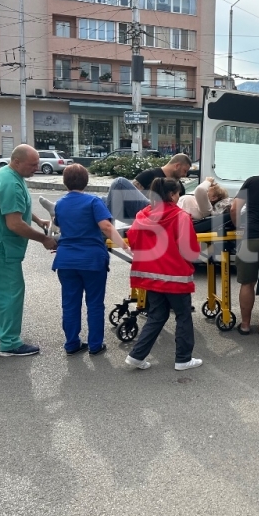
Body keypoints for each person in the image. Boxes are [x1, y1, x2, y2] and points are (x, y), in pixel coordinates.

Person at [0, 144, 57, 357]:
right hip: (1, 247)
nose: (36, 168)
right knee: (10, 293)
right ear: (17, 162)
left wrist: (38, 220)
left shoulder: (6, 174)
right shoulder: (11, 183)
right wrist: (44, 239)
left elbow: (15, 208)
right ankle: (9, 342)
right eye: (32, 164)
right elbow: (14, 224)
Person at [124, 177, 202, 371]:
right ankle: (183, 359)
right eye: (178, 193)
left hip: (151, 276)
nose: (179, 197)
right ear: (171, 195)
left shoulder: (143, 215)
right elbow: (190, 250)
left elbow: (133, 239)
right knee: (183, 316)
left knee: (156, 316)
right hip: (175, 276)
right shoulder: (180, 216)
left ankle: (136, 355)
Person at [52, 164, 130, 356]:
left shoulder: (60, 204)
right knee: (94, 303)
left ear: (65, 182)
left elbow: (59, 225)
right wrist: (124, 245)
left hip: (66, 260)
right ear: (86, 181)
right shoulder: (93, 201)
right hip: (92, 260)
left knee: (70, 303)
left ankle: (72, 344)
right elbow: (106, 226)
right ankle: (95, 345)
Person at [230, 162, 259, 335]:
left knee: (248, 283)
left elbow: (234, 208)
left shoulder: (253, 181)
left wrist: (238, 227)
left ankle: (245, 325)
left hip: (251, 237)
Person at [103, 153, 192, 222]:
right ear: (177, 166)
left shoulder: (179, 187)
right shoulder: (149, 174)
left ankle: (107, 225)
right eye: (184, 171)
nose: (185, 175)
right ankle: (105, 224)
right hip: (145, 212)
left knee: (120, 182)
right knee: (103, 199)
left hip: (154, 213)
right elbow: (131, 195)